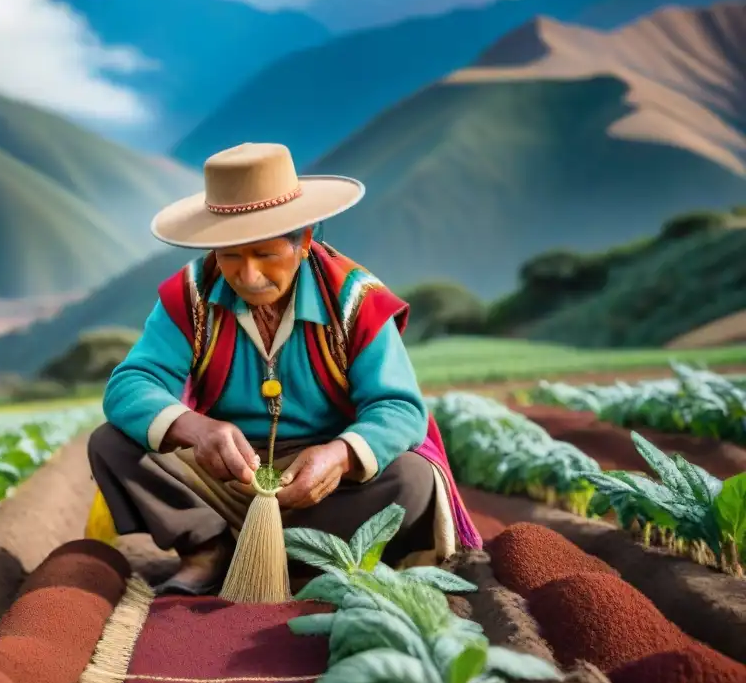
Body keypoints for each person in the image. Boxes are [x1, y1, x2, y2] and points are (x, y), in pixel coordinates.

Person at [88, 142, 481, 595]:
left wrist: (340, 455)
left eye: (265, 254)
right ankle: (207, 548)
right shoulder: (190, 295)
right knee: (111, 443)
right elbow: (130, 385)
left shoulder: (356, 301)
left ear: (304, 241)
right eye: (230, 255)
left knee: (411, 478)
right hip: (227, 474)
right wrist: (197, 430)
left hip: (322, 484)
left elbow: (399, 407)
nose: (248, 275)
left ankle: (300, 558)